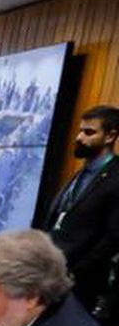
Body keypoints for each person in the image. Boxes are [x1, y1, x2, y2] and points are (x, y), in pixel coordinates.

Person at [40, 105, 119, 307]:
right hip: (51, 274)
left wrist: (76, 273)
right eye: (80, 130)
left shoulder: (115, 176)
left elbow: (113, 236)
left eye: (89, 132)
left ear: (110, 136)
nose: (79, 137)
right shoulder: (81, 174)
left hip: (81, 285)